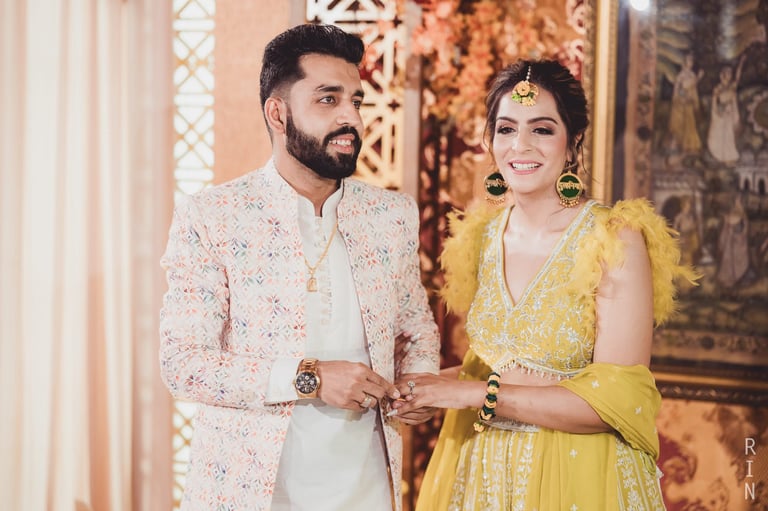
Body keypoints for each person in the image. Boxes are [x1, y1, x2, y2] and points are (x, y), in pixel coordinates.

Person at [389, 59, 699, 510]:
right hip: (483, 476)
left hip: (579, 478)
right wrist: (427, 388)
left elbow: (616, 400)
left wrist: (472, 394)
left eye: (542, 129)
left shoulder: (612, 238)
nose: (521, 145)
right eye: (506, 129)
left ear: (573, 143)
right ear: (490, 140)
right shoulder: (482, 236)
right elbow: (493, 367)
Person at [158, 23, 440, 511]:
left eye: (356, 100)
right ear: (278, 113)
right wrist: (311, 377)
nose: (351, 117)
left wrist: (418, 383)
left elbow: (416, 329)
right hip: (250, 492)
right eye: (328, 100)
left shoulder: (391, 215)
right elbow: (183, 364)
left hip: (366, 488)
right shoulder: (214, 216)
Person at [706, 56, 745, 165]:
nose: (729, 75)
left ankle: (729, 156)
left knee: (729, 136)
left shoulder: (732, 86)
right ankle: (720, 156)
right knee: (720, 135)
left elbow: (738, 77)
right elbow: (714, 101)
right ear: (723, 75)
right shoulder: (718, 88)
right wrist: (718, 112)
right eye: (727, 73)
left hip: (729, 114)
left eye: (730, 73)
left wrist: (741, 63)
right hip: (721, 114)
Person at [666, 53, 704, 157]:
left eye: (692, 60)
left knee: (690, 124)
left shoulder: (692, 74)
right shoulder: (681, 75)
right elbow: (680, 89)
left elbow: (693, 89)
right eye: (689, 60)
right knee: (680, 124)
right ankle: (677, 147)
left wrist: (693, 101)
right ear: (685, 62)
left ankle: (689, 147)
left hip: (689, 103)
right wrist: (698, 78)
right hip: (681, 103)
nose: (691, 62)